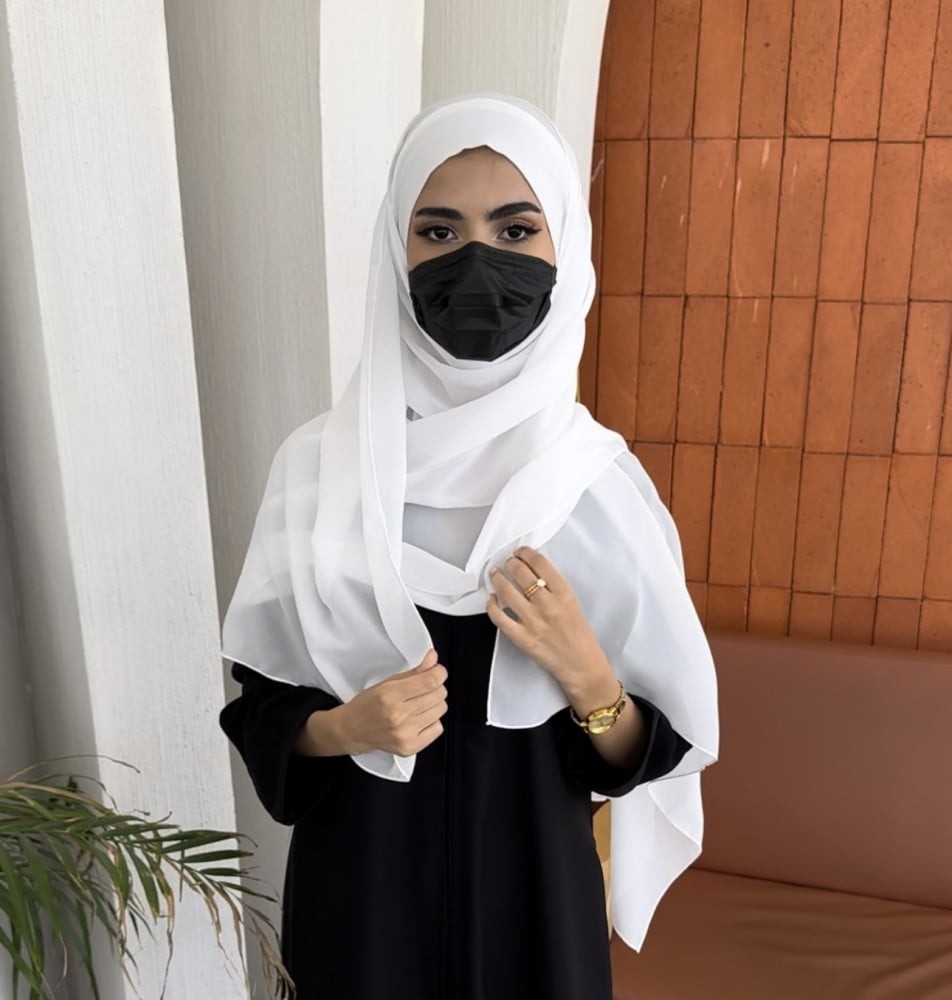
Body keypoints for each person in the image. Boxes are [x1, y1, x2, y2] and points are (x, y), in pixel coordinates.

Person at [220, 94, 718, 1000]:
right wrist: (345, 728)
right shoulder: (318, 471)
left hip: (536, 914)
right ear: (396, 252)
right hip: (359, 907)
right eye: (439, 232)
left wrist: (587, 675)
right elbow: (260, 706)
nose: (477, 261)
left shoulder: (599, 485)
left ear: (565, 250)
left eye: (516, 230)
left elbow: (652, 747)